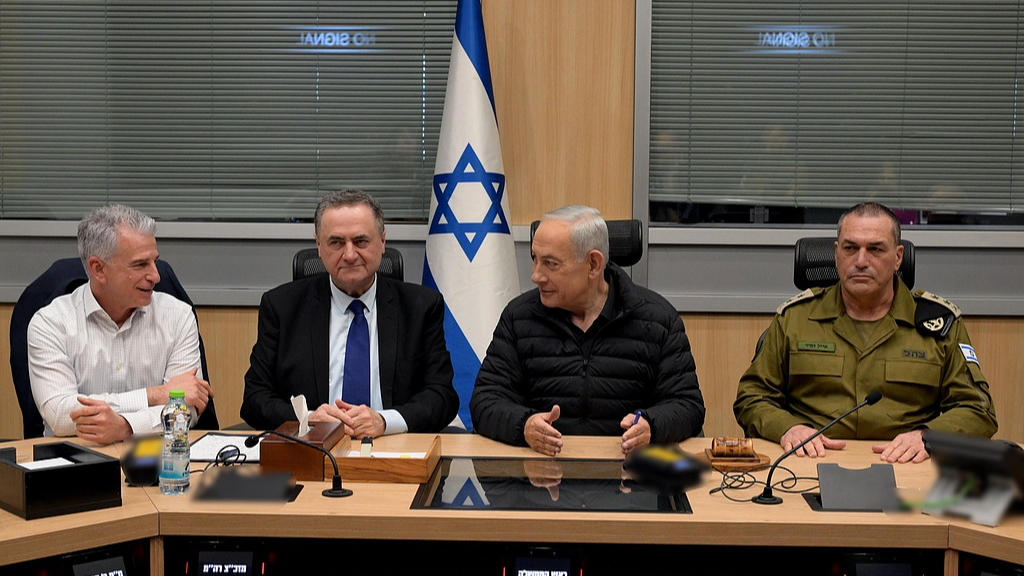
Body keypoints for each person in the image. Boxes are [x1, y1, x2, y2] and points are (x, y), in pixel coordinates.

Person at [734, 202, 997, 463]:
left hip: (906, 467)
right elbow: (752, 396)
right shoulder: (796, 318)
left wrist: (929, 437)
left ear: (897, 257)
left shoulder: (939, 325)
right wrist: (788, 428)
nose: (861, 261)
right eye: (850, 248)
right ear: (837, 255)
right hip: (810, 462)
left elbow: (978, 410)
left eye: (875, 249)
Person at [470, 205, 705, 456]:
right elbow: (485, 402)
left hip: (630, 480)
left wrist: (651, 425)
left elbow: (687, 405)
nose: (536, 275)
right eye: (535, 259)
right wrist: (524, 425)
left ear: (593, 264)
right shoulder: (519, 318)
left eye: (550, 263)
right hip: (538, 477)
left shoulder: (657, 319)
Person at [241, 190, 458, 437]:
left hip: (394, 451)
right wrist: (308, 418)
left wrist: (384, 421)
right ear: (318, 246)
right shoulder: (281, 307)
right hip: (312, 450)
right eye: (336, 242)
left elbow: (442, 397)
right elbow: (254, 399)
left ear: (383, 242)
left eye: (361, 241)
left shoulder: (421, 308)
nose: (350, 254)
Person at [28, 205, 213, 444]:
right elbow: (61, 415)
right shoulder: (50, 323)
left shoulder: (177, 316)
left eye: (155, 261)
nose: (156, 276)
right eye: (140, 265)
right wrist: (156, 395)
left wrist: (126, 427)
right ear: (98, 269)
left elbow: (187, 410)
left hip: (157, 460)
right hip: (77, 464)